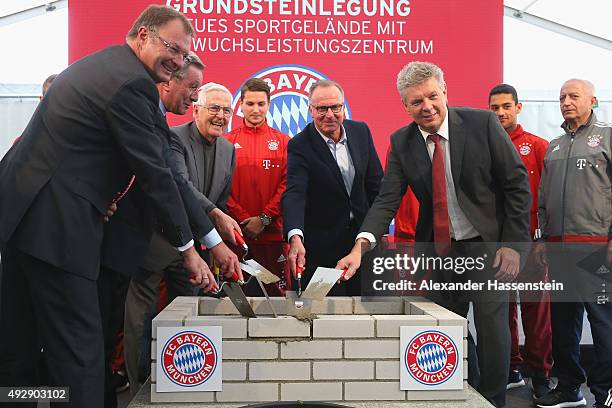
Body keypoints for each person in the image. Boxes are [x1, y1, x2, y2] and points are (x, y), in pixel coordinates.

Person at [0, 6, 212, 407]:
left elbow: (78, 153)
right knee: (79, 354)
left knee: (19, 349)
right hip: (57, 231)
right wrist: (190, 250)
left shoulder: (102, 67)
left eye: (184, 55)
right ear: (144, 35)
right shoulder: (130, 82)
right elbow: (156, 172)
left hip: (24, 221)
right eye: (173, 48)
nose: (177, 61)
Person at [338, 61, 531, 407]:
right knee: (444, 327)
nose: (426, 106)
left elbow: (517, 185)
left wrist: (513, 246)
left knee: (491, 330)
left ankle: (492, 401)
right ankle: (460, 395)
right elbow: (387, 200)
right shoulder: (401, 142)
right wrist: (360, 246)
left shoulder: (482, 124)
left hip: (488, 246)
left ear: (444, 92)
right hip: (442, 251)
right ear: (405, 106)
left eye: (431, 96)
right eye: (416, 101)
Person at [122, 78, 241, 394]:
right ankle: (139, 389)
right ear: (197, 109)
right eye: (214, 108)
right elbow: (181, 187)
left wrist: (214, 236)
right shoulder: (173, 138)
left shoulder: (229, 149)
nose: (221, 115)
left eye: (227, 110)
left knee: (190, 313)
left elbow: (220, 200)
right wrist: (215, 220)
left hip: (196, 250)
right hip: (155, 241)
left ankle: (180, 383)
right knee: (140, 321)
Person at [533, 79, 612, 408]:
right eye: (562, 96)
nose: (566, 101)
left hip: (596, 245)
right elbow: (542, 198)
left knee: (602, 321)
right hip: (558, 247)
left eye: (573, 96)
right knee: (564, 321)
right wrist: (541, 238)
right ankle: (568, 388)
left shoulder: (607, 136)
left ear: (592, 100)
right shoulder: (555, 145)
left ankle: (605, 391)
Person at [282, 79, 383, 296]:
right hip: (321, 250)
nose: (330, 114)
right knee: (323, 316)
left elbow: (376, 186)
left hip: (363, 245)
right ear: (310, 110)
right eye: (322, 108)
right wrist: (295, 237)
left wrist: (377, 230)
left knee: (368, 314)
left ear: (343, 107)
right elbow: (295, 193)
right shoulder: (300, 145)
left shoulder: (361, 132)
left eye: (335, 107)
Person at [488, 83, 553, 398]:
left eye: (505, 106)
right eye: (494, 107)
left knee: (535, 310)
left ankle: (540, 373)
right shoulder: (483, 146)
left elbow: (549, 199)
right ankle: (510, 367)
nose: (500, 112)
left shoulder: (537, 146)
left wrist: (542, 239)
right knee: (502, 310)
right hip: (496, 245)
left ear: (518, 107)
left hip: (530, 243)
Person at [226, 78, 291, 296]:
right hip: (237, 236)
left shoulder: (283, 142)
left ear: (269, 105)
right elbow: (221, 187)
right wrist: (244, 220)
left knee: (275, 298)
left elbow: (287, 186)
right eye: (250, 104)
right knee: (236, 300)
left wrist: (264, 219)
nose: (255, 109)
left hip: (272, 238)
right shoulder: (226, 142)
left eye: (261, 104)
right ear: (241, 105)